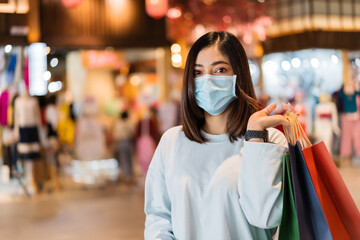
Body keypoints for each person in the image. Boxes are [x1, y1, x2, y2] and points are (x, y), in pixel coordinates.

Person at [144, 31, 291, 240]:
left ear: (238, 74)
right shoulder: (171, 141)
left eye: (219, 70)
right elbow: (159, 216)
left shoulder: (271, 141)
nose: (207, 80)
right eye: (198, 72)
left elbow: (265, 217)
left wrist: (255, 138)